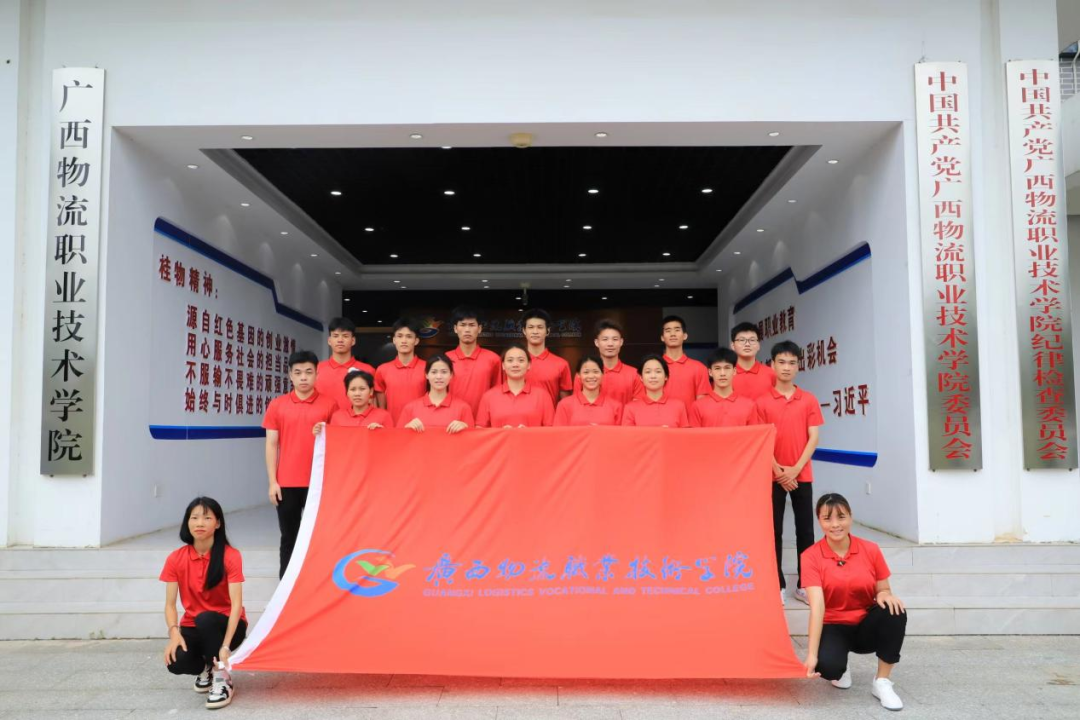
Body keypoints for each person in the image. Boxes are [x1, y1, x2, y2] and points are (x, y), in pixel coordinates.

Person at [802, 493, 907, 711]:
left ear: (850, 517)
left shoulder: (870, 549)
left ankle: (882, 682)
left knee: (895, 610)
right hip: (834, 625)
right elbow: (817, 607)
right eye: (827, 518)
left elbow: (884, 588)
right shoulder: (810, 556)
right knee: (828, 667)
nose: (835, 525)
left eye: (841, 517)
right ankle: (840, 664)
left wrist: (885, 594)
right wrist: (811, 655)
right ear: (819, 521)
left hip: (865, 625)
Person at [755, 340, 824, 606]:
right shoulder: (761, 402)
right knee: (773, 531)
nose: (786, 367)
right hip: (771, 476)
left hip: (801, 475)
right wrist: (779, 470)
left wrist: (794, 469)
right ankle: (777, 584)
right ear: (772, 365)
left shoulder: (808, 399)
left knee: (805, 530)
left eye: (792, 363)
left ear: (798, 366)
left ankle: (804, 584)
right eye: (781, 362)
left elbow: (813, 437)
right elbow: (761, 439)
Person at [162, 497, 246, 710]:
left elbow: (236, 605)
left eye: (207, 518)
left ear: (218, 523)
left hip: (227, 626)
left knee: (206, 618)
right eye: (195, 518)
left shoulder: (231, 556)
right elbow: (170, 605)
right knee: (175, 662)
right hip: (193, 626)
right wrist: (174, 633)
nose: (200, 523)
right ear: (187, 522)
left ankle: (222, 677)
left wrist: (225, 646)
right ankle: (207, 668)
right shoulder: (175, 558)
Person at [262, 350, 337, 579]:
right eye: (298, 373)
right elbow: (271, 444)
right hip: (286, 483)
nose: (303, 377)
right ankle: (286, 586)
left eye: (308, 372)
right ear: (290, 375)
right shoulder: (277, 405)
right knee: (289, 537)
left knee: (320, 536)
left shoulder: (330, 405)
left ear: (317, 374)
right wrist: (273, 482)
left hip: (319, 482)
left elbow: (337, 443)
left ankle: (317, 583)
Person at [476, 344, 555, 428]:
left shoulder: (542, 396)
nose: (515, 365)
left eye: (521, 360)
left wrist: (529, 433)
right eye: (510, 360)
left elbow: (551, 431)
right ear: (503, 365)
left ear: (529, 365)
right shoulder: (489, 396)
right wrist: (501, 433)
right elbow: (480, 430)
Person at [572, 319, 644, 405]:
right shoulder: (584, 374)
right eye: (605, 339)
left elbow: (638, 407)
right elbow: (576, 405)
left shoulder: (634, 374)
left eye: (615, 339)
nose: (610, 344)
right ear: (596, 342)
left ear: (621, 342)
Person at [445, 306, 501, 417]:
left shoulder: (493, 359)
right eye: (463, 325)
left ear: (479, 328)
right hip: (451, 421)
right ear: (455, 328)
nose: (467, 330)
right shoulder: (445, 359)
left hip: (483, 421)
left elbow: (498, 394)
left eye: (471, 325)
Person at [398, 353, 475, 433]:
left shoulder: (463, 408)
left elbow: (472, 438)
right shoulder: (410, 408)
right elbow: (398, 437)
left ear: (451, 375)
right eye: (434, 372)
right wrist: (407, 428)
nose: (439, 377)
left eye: (444, 372)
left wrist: (465, 428)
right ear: (426, 374)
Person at [315, 316, 376, 412]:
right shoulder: (316, 369)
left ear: (353, 341)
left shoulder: (367, 370)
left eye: (345, 336)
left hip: (357, 421)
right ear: (329, 340)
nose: (340, 340)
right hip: (323, 421)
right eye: (336, 336)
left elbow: (373, 404)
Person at [689, 347, 761, 427]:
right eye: (717, 368)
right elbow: (694, 435)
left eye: (727, 368)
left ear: (734, 371)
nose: (722, 373)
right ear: (710, 372)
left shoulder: (749, 405)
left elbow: (755, 434)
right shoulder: (698, 406)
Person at [375, 317, 427, 425]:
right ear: (394, 340)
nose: (404, 341)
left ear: (416, 341)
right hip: (392, 426)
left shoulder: (427, 368)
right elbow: (381, 406)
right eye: (400, 336)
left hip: (420, 426)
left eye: (409, 336)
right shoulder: (382, 369)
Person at [520, 308, 573, 407]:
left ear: (547, 331)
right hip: (519, 416)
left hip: (550, 416)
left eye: (540, 327)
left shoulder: (561, 364)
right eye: (531, 327)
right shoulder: (514, 364)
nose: (535, 331)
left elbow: (566, 403)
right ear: (524, 330)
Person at [313, 370, 393, 434]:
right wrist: (320, 432)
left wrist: (382, 433)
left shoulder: (384, 416)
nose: (357, 394)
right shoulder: (337, 417)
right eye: (353, 389)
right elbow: (333, 442)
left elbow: (391, 443)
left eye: (362, 389)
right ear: (347, 392)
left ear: (371, 391)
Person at [621, 353, 689, 427]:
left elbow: (684, 434)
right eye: (648, 372)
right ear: (641, 378)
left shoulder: (679, 406)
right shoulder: (630, 408)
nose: (653, 376)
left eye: (658, 371)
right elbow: (627, 434)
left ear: (666, 376)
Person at [554, 355, 623, 426]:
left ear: (602, 374)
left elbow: (621, 433)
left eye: (595, 372)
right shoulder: (564, 405)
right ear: (578, 375)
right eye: (586, 372)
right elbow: (559, 432)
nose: (591, 376)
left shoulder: (616, 406)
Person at [659, 315, 710, 408]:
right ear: (662, 337)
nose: (673, 334)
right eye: (668, 330)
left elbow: (702, 405)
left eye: (677, 330)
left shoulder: (699, 368)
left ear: (685, 336)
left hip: (690, 418)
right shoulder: (654, 368)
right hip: (661, 417)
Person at [729, 321, 777, 401]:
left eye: (752, 340)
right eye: (742, 340)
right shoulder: (726, 374)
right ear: (733, 345)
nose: (747, 344)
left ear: (758, 345)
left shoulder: (771, 374)